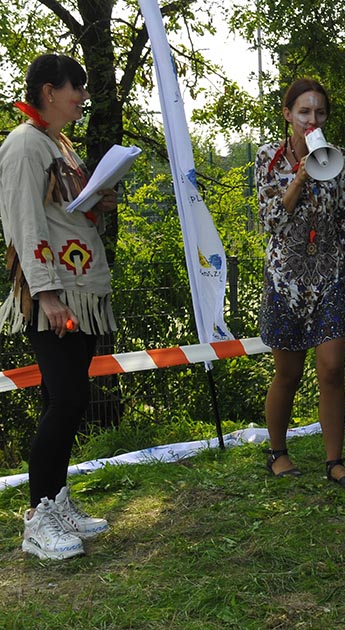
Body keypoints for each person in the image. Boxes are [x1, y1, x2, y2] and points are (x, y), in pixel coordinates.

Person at [0, 54, 119, 559]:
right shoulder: (24, 144)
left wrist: (99, 200)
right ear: (50, 91)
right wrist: (45, 292)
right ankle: (38, 519)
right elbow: (24, 222)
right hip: (56, 293)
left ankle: (57, 503)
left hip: (82, 289)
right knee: (65, 400)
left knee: (66, 400)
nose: (83, 97)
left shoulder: (59, 143)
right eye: (77, 88)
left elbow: (63, 210)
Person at [255, 78, 345, 487]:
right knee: (288, 373)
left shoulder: (338, 158)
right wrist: (300, 177)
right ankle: (277, 452)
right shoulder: (268, 159)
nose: (312, 119)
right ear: (287, 114)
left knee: (332, 369)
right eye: (304, 112)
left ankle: (335, 461)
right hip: (285, 279)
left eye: (319, 112)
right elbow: (270, 220)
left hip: (331, 274)